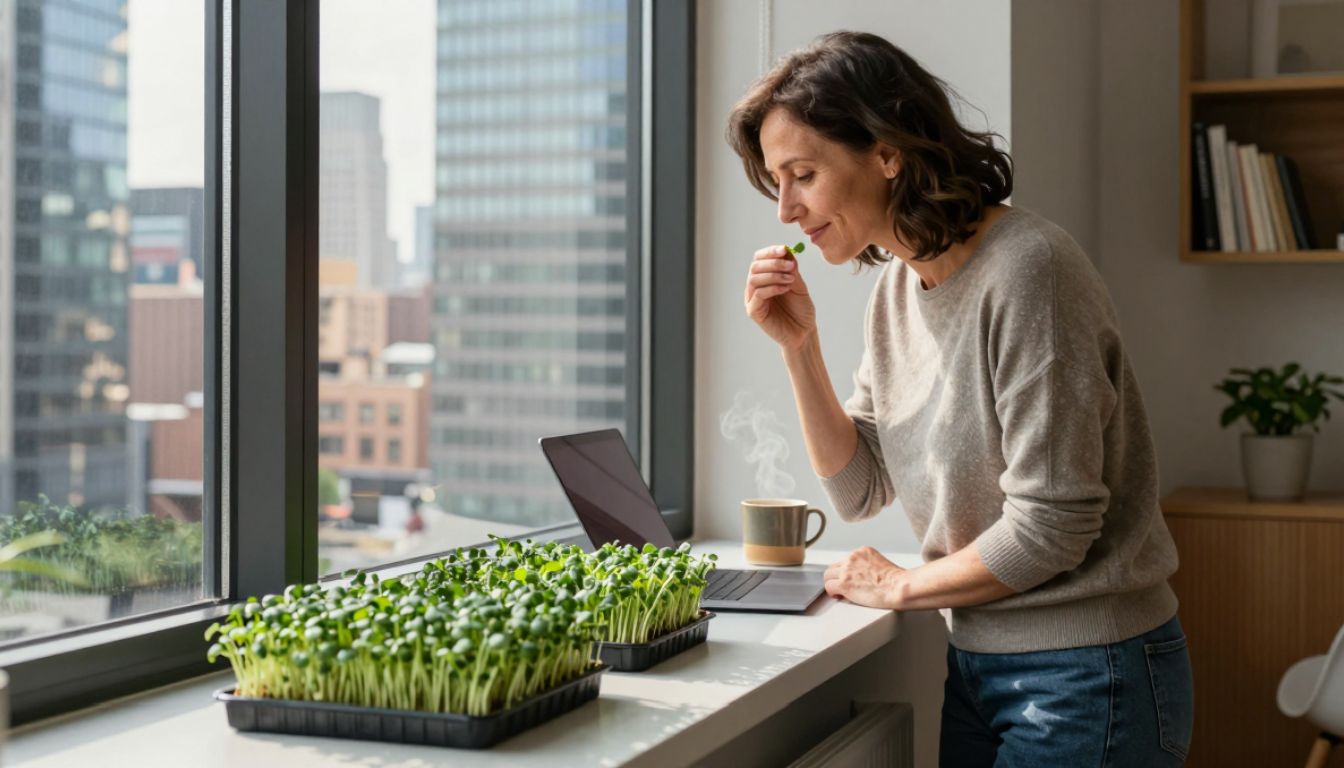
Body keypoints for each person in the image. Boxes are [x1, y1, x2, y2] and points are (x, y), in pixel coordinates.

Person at [727, 31, 1193, 766]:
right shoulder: (896, 292)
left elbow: (1053, 525)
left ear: (887, 151)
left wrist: (903, 585)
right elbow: (858, 488)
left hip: (1086, 673)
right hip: (981, 665)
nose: (786, 210)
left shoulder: (1030, 272)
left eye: (803, 174)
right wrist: (800, 347)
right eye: (777, 182)